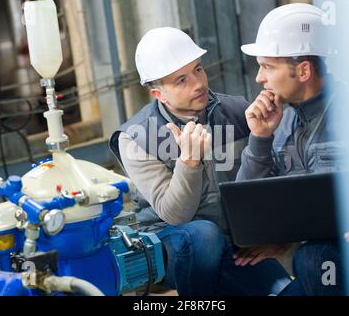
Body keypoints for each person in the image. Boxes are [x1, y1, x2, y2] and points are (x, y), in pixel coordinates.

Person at [109, 27, 290, 295]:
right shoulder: (137, 137)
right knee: (204, 237)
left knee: (286, 290)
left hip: (233, 243)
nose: (198, 83)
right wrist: (189, 162)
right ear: (158, 94)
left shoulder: (236, 112)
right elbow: (174, 215)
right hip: (172, 246)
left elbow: (269, 184)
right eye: (181, 80)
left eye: (198, 69)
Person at [235, 3, 349, 295]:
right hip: (317, 255)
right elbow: (247, 210)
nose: (259, 77)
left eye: (267, 67)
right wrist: (260, 138)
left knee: (312, 259)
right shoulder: (281, 120)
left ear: (303, 70)